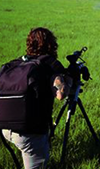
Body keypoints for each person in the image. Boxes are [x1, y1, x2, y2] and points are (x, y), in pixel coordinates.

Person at [0, 28, 71, 169]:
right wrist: (68, 81)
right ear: (52, 44)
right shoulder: (50, 64)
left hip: (4, 126)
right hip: (29, 131)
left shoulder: (18, 62)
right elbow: (60, 95)